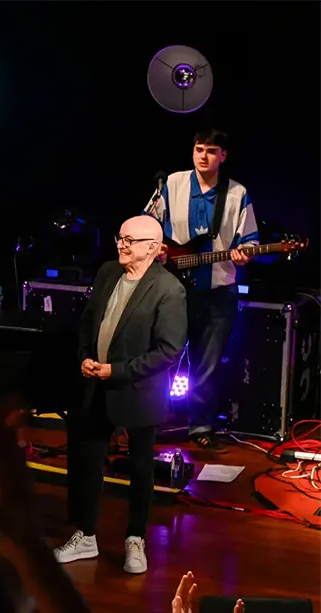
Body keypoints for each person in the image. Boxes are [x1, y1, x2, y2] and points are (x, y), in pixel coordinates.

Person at [56, 214, 187, 574]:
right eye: (120, 237)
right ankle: (85, 536)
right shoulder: (108, 272)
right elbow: (88, 321)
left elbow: (168, 350)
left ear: (151, 248)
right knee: (87, 461)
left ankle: (135, 539)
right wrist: (84, 357)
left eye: (129, 240)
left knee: (141, 467)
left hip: (137, 389)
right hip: (95, 383)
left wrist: (117, 371)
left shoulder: (168, 289)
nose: (121, 244)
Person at [147, 128, 260, 452]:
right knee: (159, 358)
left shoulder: (237, 193)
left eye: (211, 151)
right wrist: (158, 248)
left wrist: (245, 252)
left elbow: (249, 239)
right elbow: (147, 221)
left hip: (218, 291)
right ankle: (153, 421)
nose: (203, 156)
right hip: (172, 288)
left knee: (206, 364)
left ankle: (201, 427)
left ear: (223, 156)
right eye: (198, 149)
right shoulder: (171, 184)